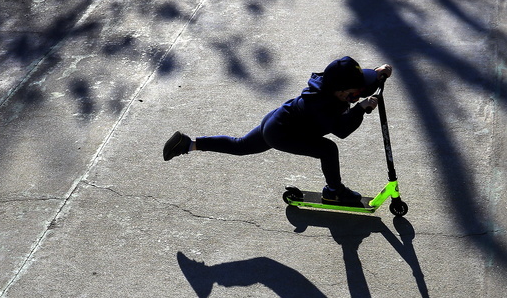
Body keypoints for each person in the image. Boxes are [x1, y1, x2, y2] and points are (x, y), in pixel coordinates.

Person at [162, 56, 393, 204]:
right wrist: (361, 109)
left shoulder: (332, 86)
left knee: (241, 146)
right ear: (341, 91)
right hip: (283, 134)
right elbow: (342, 130)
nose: (357, 95)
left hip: (278, 118)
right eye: (354, 93)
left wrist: (377, 72)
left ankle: (188, 143)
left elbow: (357, 83)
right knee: (328, 149)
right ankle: (334, 191)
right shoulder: (322, 107)